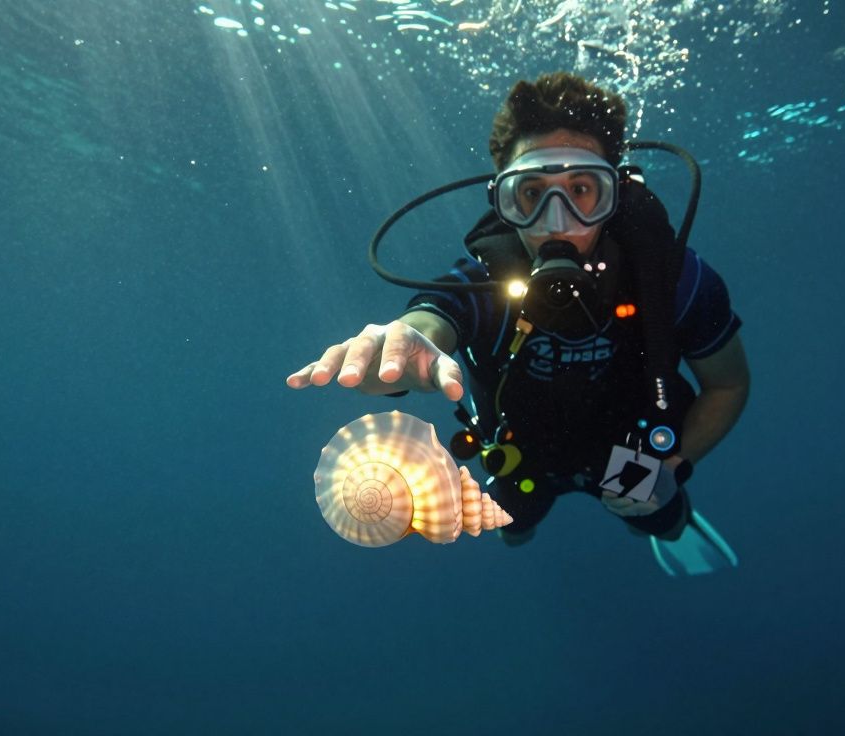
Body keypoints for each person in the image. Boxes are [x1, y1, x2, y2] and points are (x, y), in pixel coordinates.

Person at [287, 72, 749, 568]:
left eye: (582, 189)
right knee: (515, 522)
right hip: (520, 455)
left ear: (614, 193)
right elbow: (435, 317)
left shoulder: (674, 280)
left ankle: (664, 521)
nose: (558, 221)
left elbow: (727, 386)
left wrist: (673, 469)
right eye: (532, 194)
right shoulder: (482, 281)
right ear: (503, 201)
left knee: (656, 516)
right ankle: (532, 522)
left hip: (633, 452)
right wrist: (404, 342)